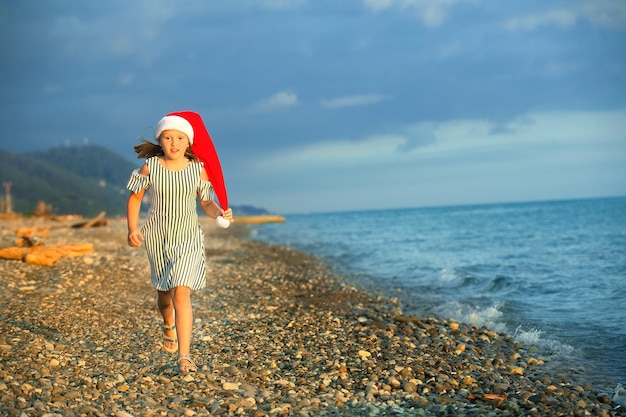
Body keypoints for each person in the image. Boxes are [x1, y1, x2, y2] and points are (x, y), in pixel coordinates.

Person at [126, 111, 232, 373]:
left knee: (181, 291)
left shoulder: (198, 170)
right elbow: (135, 198)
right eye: (168, 137)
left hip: (188, 237)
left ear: (188, 142)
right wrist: (131, 228)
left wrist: (219, 212)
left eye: (179, 138)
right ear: (160, 140)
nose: (174, 143)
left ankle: (184, 356)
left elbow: (206, 202)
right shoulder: (150, 167)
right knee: (164, 295)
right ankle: (167, 325)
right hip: (158, 237)